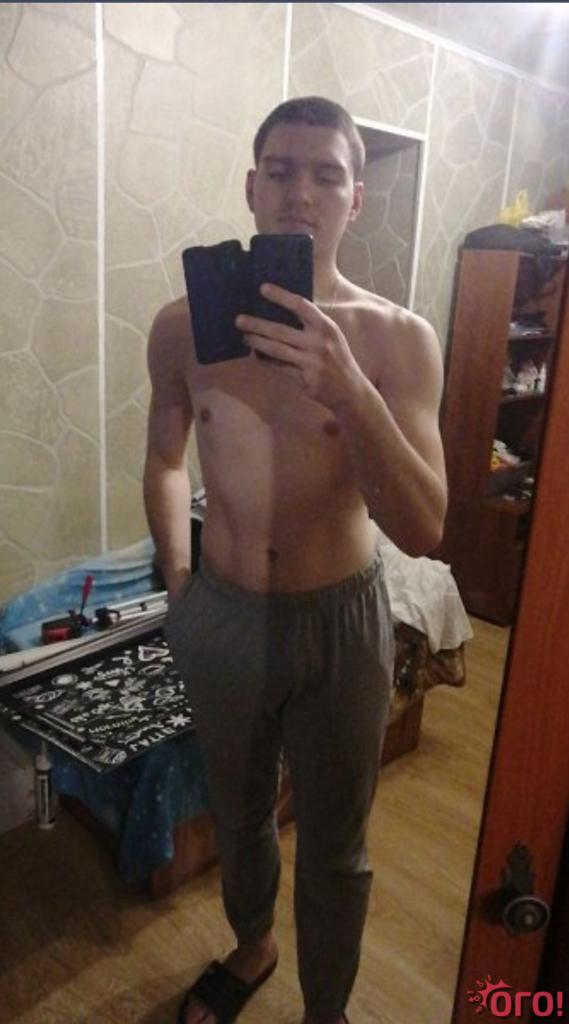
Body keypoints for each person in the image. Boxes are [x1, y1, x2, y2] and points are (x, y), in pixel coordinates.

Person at [143, 96, 447, 1024]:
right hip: (222, 611)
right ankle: (253, 945)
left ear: (355, 197)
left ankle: (327, 1009)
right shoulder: (182, 326)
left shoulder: (397, 339)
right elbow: (165, 459)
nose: (299, 192)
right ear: (251, 187)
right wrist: (180, 582)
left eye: (325, 174)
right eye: (279, 170)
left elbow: (425, 526)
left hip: (339, 622)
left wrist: (351, 391)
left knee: (335, 845)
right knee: (237, 815)